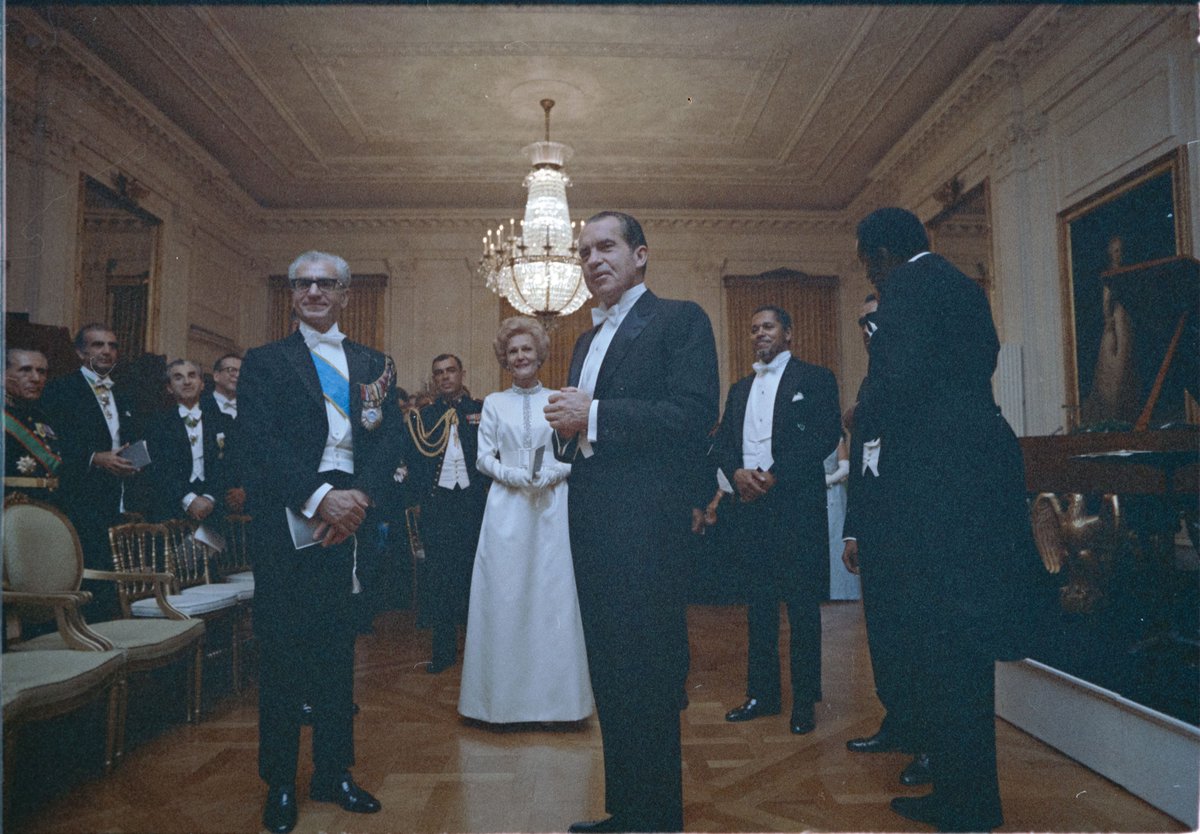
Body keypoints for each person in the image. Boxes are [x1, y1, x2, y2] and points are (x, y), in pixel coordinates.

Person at [853, 207, 1041, 832]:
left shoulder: (903, 289)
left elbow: (894, 382)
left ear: (879, 255)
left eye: (868, 266)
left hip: (933, 489)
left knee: (939, 647)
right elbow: (977, 363)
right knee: (966, 650)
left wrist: (861, 413)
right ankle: (970, 798)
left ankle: (964, 805)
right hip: (981, 471)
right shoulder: (964, 287)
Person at [545, 211, 719, 833]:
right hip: (591, 519)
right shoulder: (586, 341)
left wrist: (592, 414)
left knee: (647, 671)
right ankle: (628, 812)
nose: (593, 259)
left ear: (640, 255)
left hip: (647, 523)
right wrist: (566, 428)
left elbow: (694, 413)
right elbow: (584, 430)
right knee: (612, 671)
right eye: (584, 251)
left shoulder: (680, 320)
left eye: (606, 247)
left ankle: (659, 818)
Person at [239, 250, 398, 834]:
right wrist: (316, 498)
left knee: (338, 653)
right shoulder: (265, 361)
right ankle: (280, 781)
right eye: (302, 283)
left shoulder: (375, 363)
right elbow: (258, 444)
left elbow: (387, 445)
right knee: (282, 655)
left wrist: (358, 500)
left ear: (346, 294)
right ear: (292, 294)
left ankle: (334, 773)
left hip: (350, 518)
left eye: (324, 284)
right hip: (289, 519)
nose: (312, 292)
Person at [711, 305, 841, 736]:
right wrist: (736, 474)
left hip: (796, 506)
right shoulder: (739, 389)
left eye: (767, 326)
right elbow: (724, 443)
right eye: (753, 328)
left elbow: (824, 434)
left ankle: (804, 700)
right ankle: (762, 694)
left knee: (803, 606)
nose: (758, 334)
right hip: (750, 508)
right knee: (758, 606)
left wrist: (776, 474)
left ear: (788, 332)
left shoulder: (816, 379)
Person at [457, 316, 592, 724]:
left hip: (552, 505)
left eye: (526, 349)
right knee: (506, 596)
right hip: (507, 507)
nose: (520, 356)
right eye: (513, 351)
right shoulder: (494, 404)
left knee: (552, 597)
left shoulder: (560, 398)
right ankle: (500, 704)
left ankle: (557, 705)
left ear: (539, 354)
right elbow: (482, 457)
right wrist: (514, 476)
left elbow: (580, 451)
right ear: (505, 358)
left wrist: (557, 471)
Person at [841, 292, 931, 787]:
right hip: (875, 530)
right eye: (863, 320)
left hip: (911, 530)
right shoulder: (869, 380)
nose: (869, 329)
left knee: (917, 638)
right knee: (885, 635)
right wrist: (853, 528)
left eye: (877, 319)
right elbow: (861, 463)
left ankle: (931, 745)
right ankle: (898, 722)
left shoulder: (915, 373)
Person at [42, 324, 141, 619]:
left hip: (120, 496)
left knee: (115, 577)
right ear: (80, 352)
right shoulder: (61, 389)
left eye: (112, 345)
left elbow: (135, 438)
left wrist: (134, 464)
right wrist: (94, 458)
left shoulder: (124, 391)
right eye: (98, 345)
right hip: (81, 498)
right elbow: (50, 443)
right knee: (88, 576)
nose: (106, 351)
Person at [399, 353, 488, 673]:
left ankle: (481, 656)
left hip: (475, 504)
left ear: (462, 373)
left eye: (451, 371)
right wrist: (423, 499)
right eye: (438, 373)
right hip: (439, 507)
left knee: (478, 578)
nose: (445, 377)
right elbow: (415, 461)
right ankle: (444, 653)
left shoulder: (480, 410)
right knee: (440, 581)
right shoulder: (424, 416)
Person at [142, 359, 228, 524]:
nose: (187, 382)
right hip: (170, 511)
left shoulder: (222, 422)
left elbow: (227, 466)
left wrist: (209, 499)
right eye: (178, 377)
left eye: (192, 376)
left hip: (213, 512)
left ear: (202, 384)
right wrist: (189, 500)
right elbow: (156, 468)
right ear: (169, 387)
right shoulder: (155, 423)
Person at [4, 348, 63, 503]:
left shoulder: (43, 416)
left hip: (46, 508)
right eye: (25, 370)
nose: (36, 378)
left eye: (41, 372)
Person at [205, 354, 245, 513]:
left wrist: (245, 489)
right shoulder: (201, 407)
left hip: (245, 498)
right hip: (209, 498)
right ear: (216, 375)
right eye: (231, 370)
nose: (237, 375)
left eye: (241, 371)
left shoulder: (252, 410)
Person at [825, 435, 858, 600]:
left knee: (835, 536)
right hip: (813, 494)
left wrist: (827, 480)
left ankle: (840, 590)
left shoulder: (837, 439)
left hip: (833, 493)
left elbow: (845, 468)